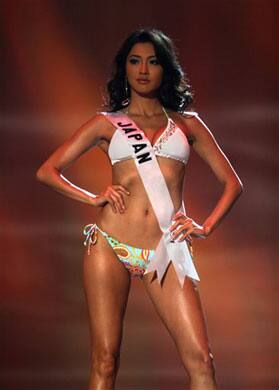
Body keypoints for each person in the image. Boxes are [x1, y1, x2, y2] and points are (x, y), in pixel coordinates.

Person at [36, 28, 243, 390]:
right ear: (124, 69)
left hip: (165, 249)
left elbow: (232, 183)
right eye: (135, 61)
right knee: (105, 360)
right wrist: (92, 197)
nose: (143, 69)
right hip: (110, 246)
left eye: (153, 61)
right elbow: (47, 171)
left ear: (166, 69)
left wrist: (205, 226)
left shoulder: (187, 124)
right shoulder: (107, 123)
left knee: (201, 361)